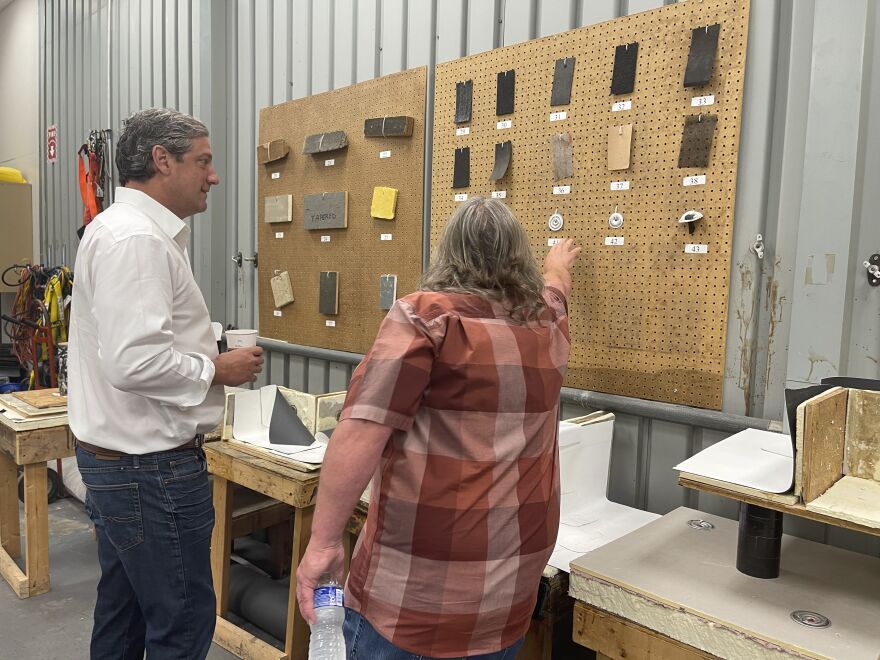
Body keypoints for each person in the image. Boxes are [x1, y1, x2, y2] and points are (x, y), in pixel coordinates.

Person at [296, 196, 581, 658]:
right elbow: (555, 288)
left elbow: (361, 432)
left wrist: (324, 542)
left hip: (415, 597)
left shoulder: (426, 318)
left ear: (448, 253)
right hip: (510, 591)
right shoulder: (549, 322)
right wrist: (556, 264)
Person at [67, 108, 264, 660]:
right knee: (181, 620)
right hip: (149, 470)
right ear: (161, 161)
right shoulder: (138, 241)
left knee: (125, 613)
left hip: (119, 463)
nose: (214, 175)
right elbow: (133, 362)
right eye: (203, 161)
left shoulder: (116, 230)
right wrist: (215, 369)